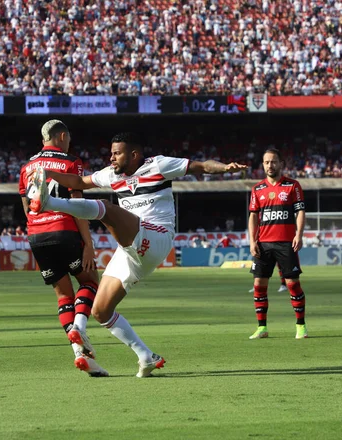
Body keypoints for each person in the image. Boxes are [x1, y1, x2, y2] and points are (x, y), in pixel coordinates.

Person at [26, 132, 246, 377]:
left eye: (117, 153)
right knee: (101, 310)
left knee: (107, 210)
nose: (111, 158)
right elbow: (78, 183)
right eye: (110, 153)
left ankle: (49, 204)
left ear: (134, 154)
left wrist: (225, 167)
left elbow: (201, 166)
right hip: (131, 248)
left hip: (158, 236)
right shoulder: (112, 175)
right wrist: (49, 174)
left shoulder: (159, 165)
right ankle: (145, 355)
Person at [19, 120, 103, 377]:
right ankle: (80, 326)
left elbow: (26, 206)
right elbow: (77, 204)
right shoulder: (70, 162)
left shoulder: (26, 167)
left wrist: (37, 229)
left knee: (64, 296)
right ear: (62, 136)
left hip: (37, 235)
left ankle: (80, 352)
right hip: (65, 229)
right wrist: (88, 243)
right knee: (90, 282)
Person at [247, 148, 308, 340]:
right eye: (266, 162)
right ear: (263, 165)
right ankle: (262, 328)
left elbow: (300, 212)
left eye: (273, 162)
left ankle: (301, 326)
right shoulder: (257, 189)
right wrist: (252, 241)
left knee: (292, 283)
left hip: (286, 243)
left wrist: (299, 234)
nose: (270, 165)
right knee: (259, 284)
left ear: (281, 163)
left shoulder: (292, 186)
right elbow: (253, 216)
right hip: (263, 244)